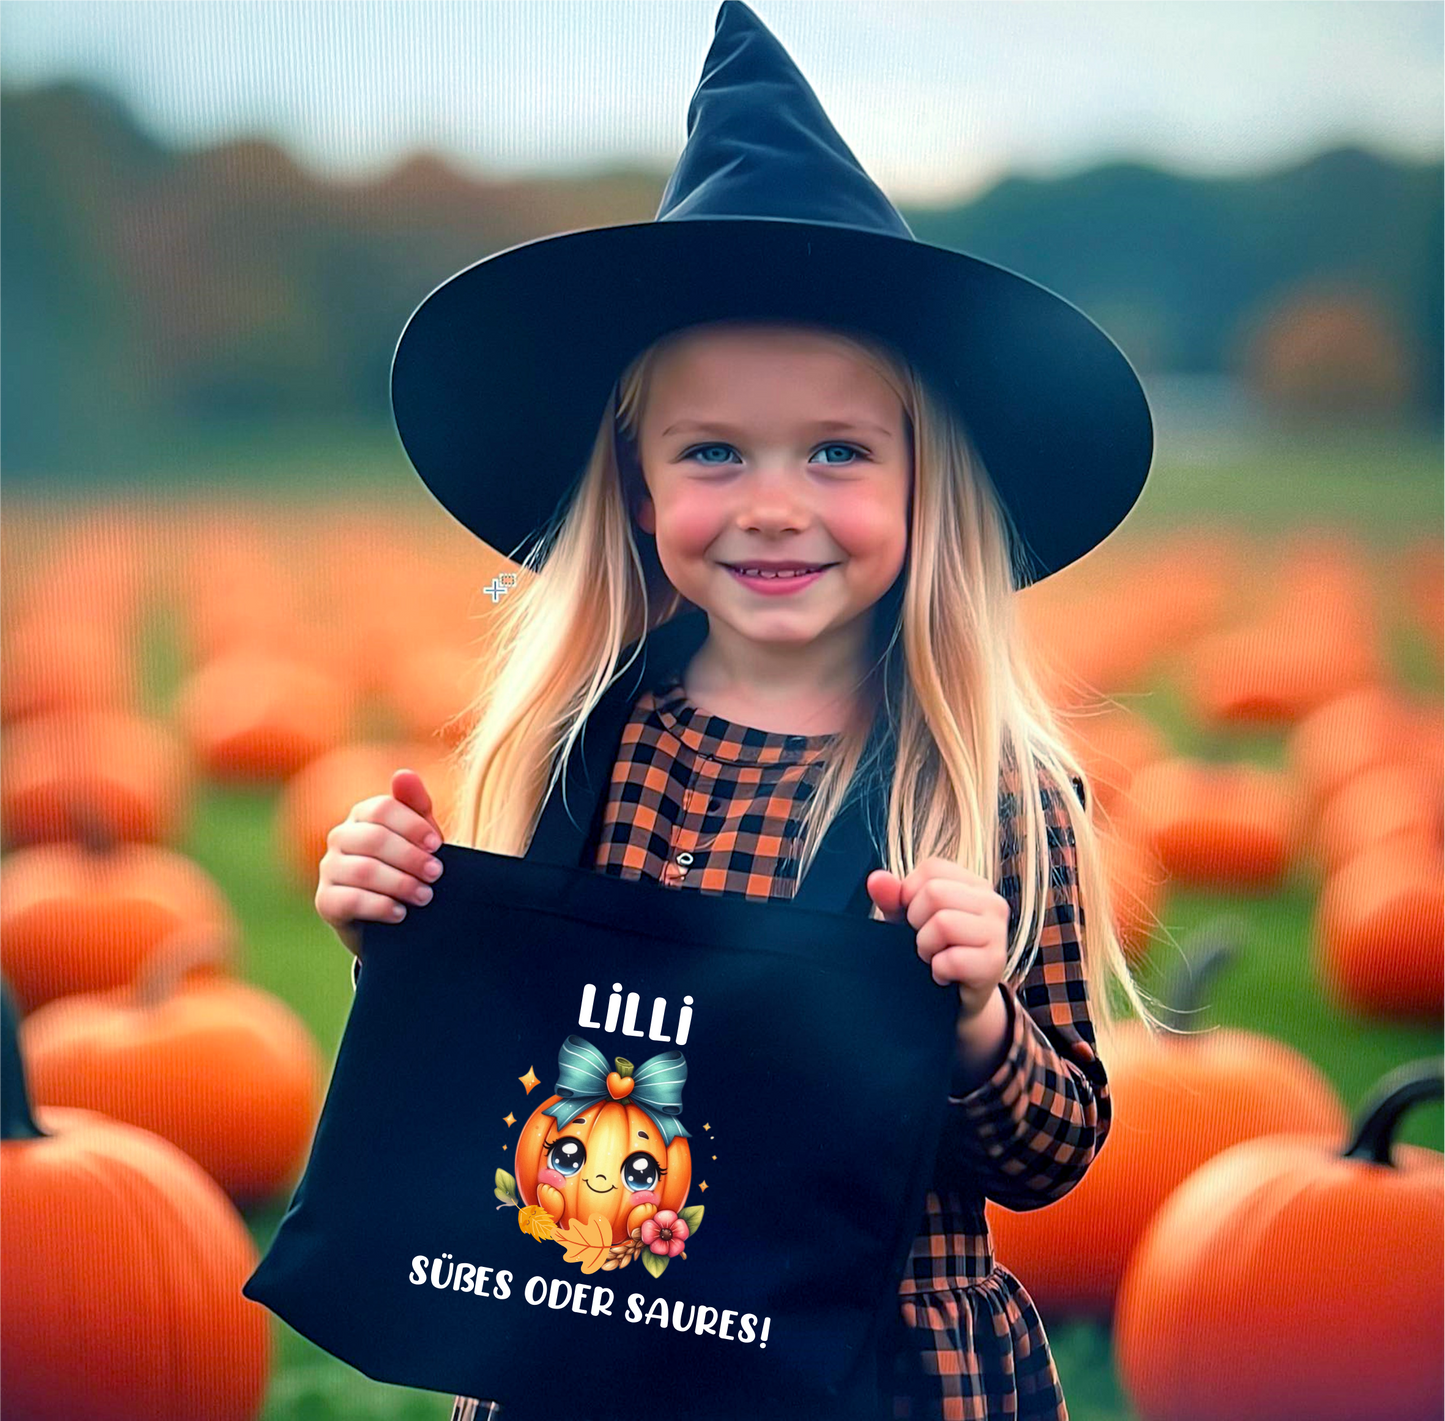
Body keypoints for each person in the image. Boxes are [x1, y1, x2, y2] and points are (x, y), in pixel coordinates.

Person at [316, 3, 1166, 1417]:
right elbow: (500, 1071)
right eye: (715, 450)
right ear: (640, 492)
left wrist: (977, 1025)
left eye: (838, 450)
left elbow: (1053, 1149)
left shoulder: (991, 792)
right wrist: (395, 944)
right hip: (591, 1339)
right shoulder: (583, 750)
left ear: (923, 490)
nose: (775, 503)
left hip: (876, 1367)